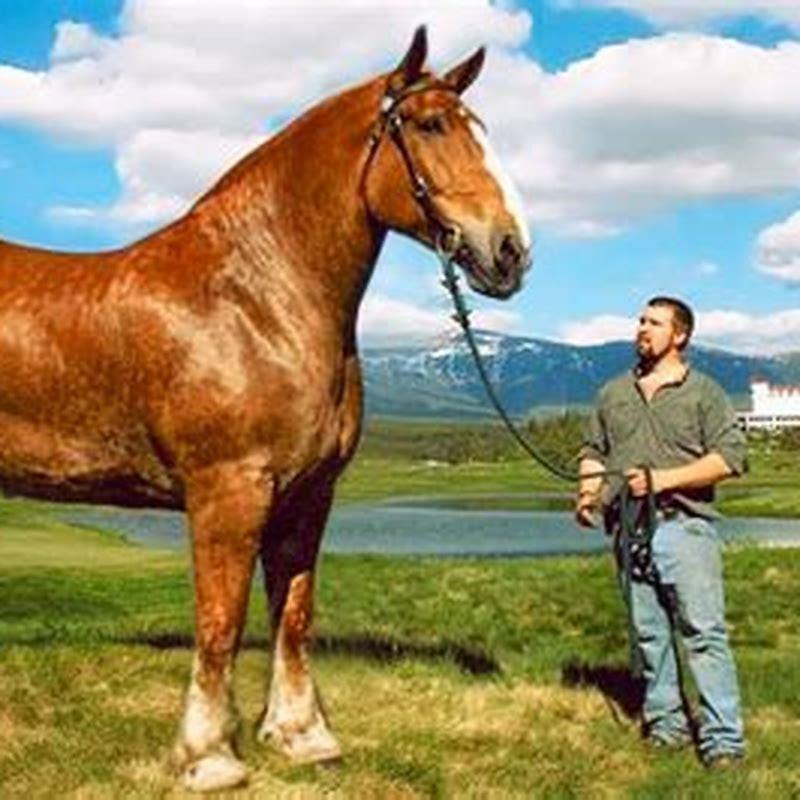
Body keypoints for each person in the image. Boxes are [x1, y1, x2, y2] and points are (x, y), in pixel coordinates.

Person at [576, 296, 746, 768]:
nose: (641, 329)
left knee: (704, 635)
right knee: (649, 636)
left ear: (681, 334)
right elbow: (594, 450)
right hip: (627, 532)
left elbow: (731, 459)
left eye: (654, 322)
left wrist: (662, 480)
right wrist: (588, 496)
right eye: (640, 320)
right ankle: (667, 727)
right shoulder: (613, 392)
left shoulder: (705, 392)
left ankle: (723, 741)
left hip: (684, 528)